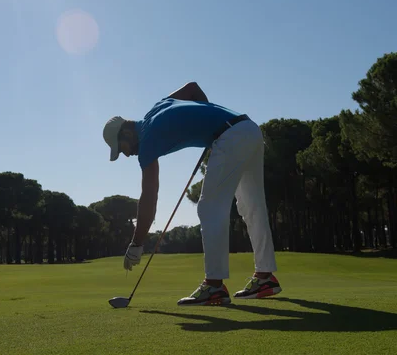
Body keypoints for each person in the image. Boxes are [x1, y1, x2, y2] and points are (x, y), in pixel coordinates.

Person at [102, 82, 282, 306]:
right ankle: (265, 277)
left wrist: (137, 244)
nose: (125, 154)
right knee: (251, 206)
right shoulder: (157, 108)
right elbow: (192, 88)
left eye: (121, 148)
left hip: (230, 136)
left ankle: (214, 286)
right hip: (249, 129)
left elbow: (149, 196)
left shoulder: (147, 141)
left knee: (208, 207)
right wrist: (208, 125)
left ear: (127, 133)